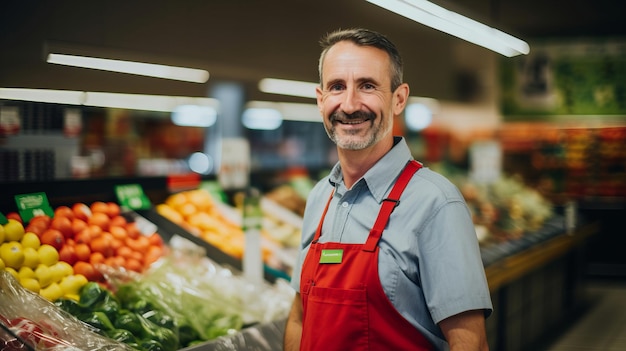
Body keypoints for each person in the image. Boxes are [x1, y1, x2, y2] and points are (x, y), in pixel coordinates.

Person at [283, 28, 493, 351]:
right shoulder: (318, 198)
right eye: (337, 87)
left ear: (399, 99)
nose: (350, 104)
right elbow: (299, 317)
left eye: (367, 86)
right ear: (320, 99)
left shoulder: (436, 203)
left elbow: (471, 342)